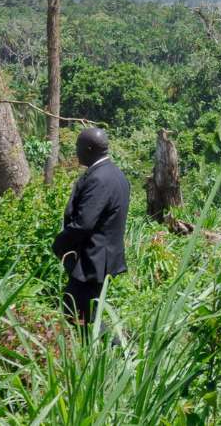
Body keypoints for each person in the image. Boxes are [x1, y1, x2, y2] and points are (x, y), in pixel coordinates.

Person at [51, 127, 130, 327]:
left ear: (88, 148)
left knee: (84, 317)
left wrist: (59, 244)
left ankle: (118, 349)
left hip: (92, 260)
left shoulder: (99, 178)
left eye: (77, 146)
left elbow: (84, 224)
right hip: (101, 257)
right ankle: (92, 352)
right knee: (77, 311)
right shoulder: (116, 174)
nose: (75, 151)